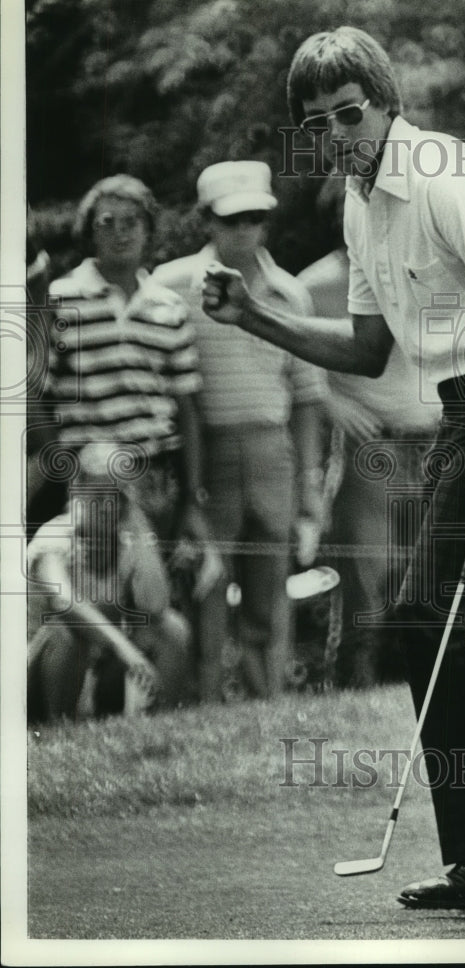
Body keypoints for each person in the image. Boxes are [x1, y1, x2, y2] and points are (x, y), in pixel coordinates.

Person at [203, 26, 465, 911]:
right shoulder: (357, 201)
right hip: (462, 404)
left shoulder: (444, 173)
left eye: (351, 113)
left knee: (423, 611)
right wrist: (255, 316)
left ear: (386, 104)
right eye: (319, 121)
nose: (338, 133)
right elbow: (369, 349)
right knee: (453, 622)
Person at [42, 174, 220, 705]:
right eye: (108, 223)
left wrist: (191, 496)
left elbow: (186, 407)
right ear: (89, 232)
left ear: (150, 230)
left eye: (133, 223)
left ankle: (150, 719)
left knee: (151, 597)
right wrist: (66, 464)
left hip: (154, 474)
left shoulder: (168, 306)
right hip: (90, 477)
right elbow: (39, 397)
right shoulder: (60, 299)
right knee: (91, 596)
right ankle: (76, 711)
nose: (121, 234)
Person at [152, 161, 327, 700]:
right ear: (206, 220)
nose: (245, 229)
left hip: (272, 450)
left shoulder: (288, 293)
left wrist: (309, 489)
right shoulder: (172, 287)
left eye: (255, 217)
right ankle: (204, 703)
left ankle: (266, 701)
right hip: (205, 450)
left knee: (269, 590)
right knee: (205, 585)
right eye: (232, 219)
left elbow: (306, 399)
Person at [297, 180, 442, 686]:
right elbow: (290, 365)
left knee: (437, 579)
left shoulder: (421, 269)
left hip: (432, 440)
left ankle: (435, 688)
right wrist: (333, 404)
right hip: (369, 449)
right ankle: (354, 692)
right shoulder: (313, 286)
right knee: (367, 586)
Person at [27, 443, 190, 722]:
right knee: (67, 632)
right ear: (76, 492)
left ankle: (163, 724)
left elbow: (156, 605)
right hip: (35, 673)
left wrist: (137, 526)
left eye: (115, 495)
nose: (106, 506)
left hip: (98, 666)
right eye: (98, 495)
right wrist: (124, 649)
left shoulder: (126, 536)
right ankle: (58, 728)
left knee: (171, 629)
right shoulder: (55, 535)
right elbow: (64, 602)